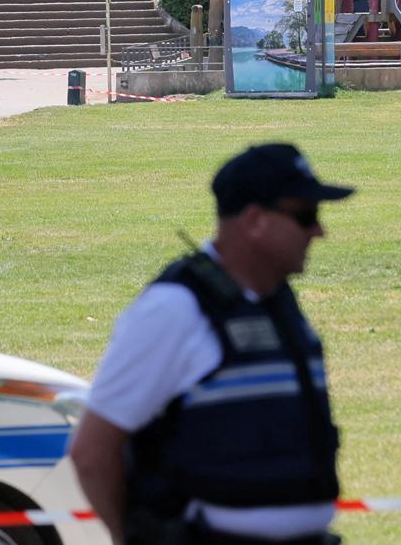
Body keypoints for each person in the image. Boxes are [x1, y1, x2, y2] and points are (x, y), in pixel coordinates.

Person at [70, 143, 353, 545]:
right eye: (306, 215)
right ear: (255, 220)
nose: (319, 231)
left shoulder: (276, 300)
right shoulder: (174, 310)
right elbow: (92, 453)